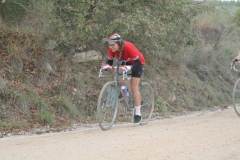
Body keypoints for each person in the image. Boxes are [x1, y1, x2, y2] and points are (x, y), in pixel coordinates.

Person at [101, 33, 146, 123]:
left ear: (119, 43)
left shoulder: (128, 46)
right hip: (125, 63)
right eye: (109, 45)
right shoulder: (112, 49)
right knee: (115, 72)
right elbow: (110, 61)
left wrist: (130, 67)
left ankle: (138, 113)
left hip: (137, 63)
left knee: (134, 87)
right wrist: (106, 66)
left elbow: (137, 62)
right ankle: (124, 89)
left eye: (113, 45)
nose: (111, 47)